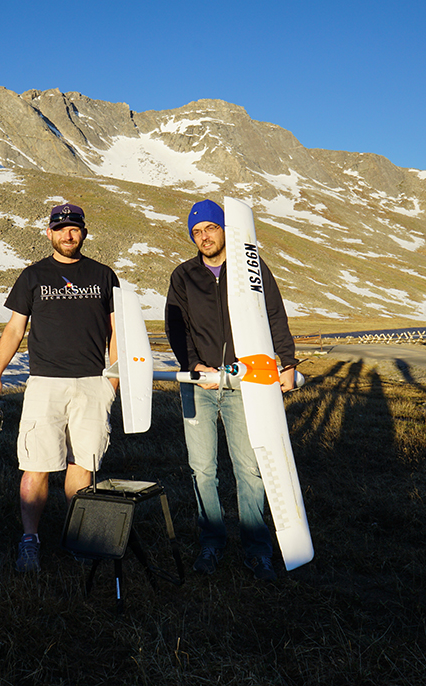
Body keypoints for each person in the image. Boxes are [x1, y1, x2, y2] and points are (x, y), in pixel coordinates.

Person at [164, 199, 299, 581]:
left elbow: (274, 314)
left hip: (244, 384)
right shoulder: (183, 275)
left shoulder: (250, 269)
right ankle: (211, 541)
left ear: (225, 229)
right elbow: (176, 325)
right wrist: (194, 365)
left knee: (249, 469)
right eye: (196, 232)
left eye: (211, 228)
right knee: (202, 470)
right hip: (200, 385)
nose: (204, 236)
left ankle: (257, 549)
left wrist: (287, 362)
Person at [0, 203, 120, 572]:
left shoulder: (104, 275)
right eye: (60, 229)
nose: (68, 235)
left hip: (93, 383)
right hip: (45, 384)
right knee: (36, 463)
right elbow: (15, 329)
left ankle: (79, 537)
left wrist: (114, 379)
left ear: (84, 232)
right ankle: (30, 540)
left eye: (74, 228)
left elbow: (116, 332)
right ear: (49, 233)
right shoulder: (33, 276)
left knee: (83, 463)